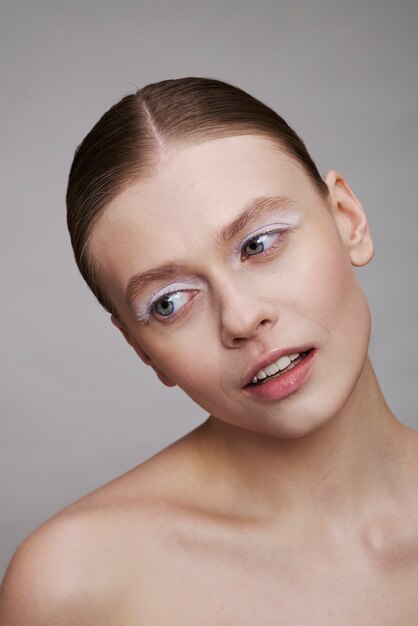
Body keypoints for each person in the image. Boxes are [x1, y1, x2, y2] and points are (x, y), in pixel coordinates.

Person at [1, 77, 418, 624]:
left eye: (259, 244)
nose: (242, 318)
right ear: (140, 348)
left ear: (348, 219)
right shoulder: (73, 585)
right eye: (170, 302)